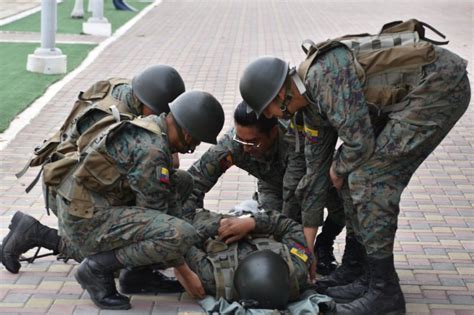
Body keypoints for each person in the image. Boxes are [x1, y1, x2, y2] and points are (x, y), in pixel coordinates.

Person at [239, 19, 470, 314]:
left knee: (370, 178)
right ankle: (359, 271)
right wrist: (306, 252)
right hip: (411, 95)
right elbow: (313, 178)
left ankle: (385, 292)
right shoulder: (308, 107)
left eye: (268, 110)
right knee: (349, 177)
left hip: (439, 86)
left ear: (280, 95)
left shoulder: (323, 79)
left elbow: (359, 144)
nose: (271, 117)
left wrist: (337, 169)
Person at [13, 90, 224, 310]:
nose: (194, 148)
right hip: (85, 219)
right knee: (179, 235)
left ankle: (137, 275)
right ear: (189, 134)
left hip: (91, 204)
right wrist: (185, 271)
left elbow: (165, 197)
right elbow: (159, 219)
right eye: (197, 141)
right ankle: (94, 269)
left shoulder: (152, 126)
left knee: (181, 181)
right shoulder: (151, 151)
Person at [2, 65, 187, 274]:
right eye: (160, 112)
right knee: (118, 260)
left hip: (85, 181)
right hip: (68, 189)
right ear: (146, 102)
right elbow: (87, 169)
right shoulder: (114, 118)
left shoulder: (127, 90)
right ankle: (36, 234)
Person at [182, 101, 345, 276]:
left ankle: (325, 243)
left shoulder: (295, 142)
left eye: (252, 142)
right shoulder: (233, 145)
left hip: (314, 179)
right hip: (272, 185)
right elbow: (194, 183)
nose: (245, 148)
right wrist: (191, 230)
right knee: (271, 234)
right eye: (240, 139)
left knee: (341, 207)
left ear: (273, 133)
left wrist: (303, 248)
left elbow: (297, 200)